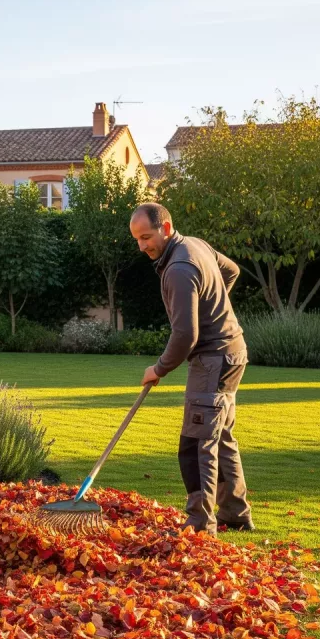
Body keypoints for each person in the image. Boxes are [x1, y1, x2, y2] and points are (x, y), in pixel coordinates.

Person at [129, 202, 254, 536]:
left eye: (146, 237)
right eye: (137, 240)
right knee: (221, 437)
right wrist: (212, 306)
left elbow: (186, 334)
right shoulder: (196, 244)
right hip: (233, 352)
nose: (142, 246)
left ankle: (199, 523)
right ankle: (235, 513)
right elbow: (231, 271)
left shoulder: (179, 268)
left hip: (213, 359)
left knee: (196, 442)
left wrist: (159, 368)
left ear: (166, 228)